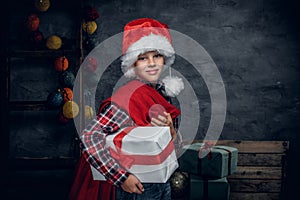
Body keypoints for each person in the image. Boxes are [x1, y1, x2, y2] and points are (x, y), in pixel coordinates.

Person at [68, 18, 184, 200]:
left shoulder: (162, 95)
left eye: (157, 56)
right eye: (143, 58)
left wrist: (171, 131)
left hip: (162, 181)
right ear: (133, 64)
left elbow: (172, 151)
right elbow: (90, 137)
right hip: (137, 186)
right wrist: (121, 178)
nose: (152, 63)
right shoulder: (129, 98)